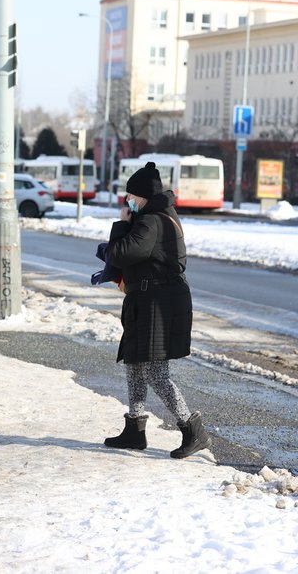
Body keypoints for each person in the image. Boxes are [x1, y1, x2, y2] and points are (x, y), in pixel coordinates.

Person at [102, 161, 211, 460]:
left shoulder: (152, 221)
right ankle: (135, 430)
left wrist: (123, 224)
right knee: (135, 363)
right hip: (148, 300)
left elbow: (123, 253)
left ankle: (193, 430)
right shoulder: (156, 216)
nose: (128, 202)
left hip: (159, 303)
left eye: (131, 198)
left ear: (143, 198)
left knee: (155, 372)